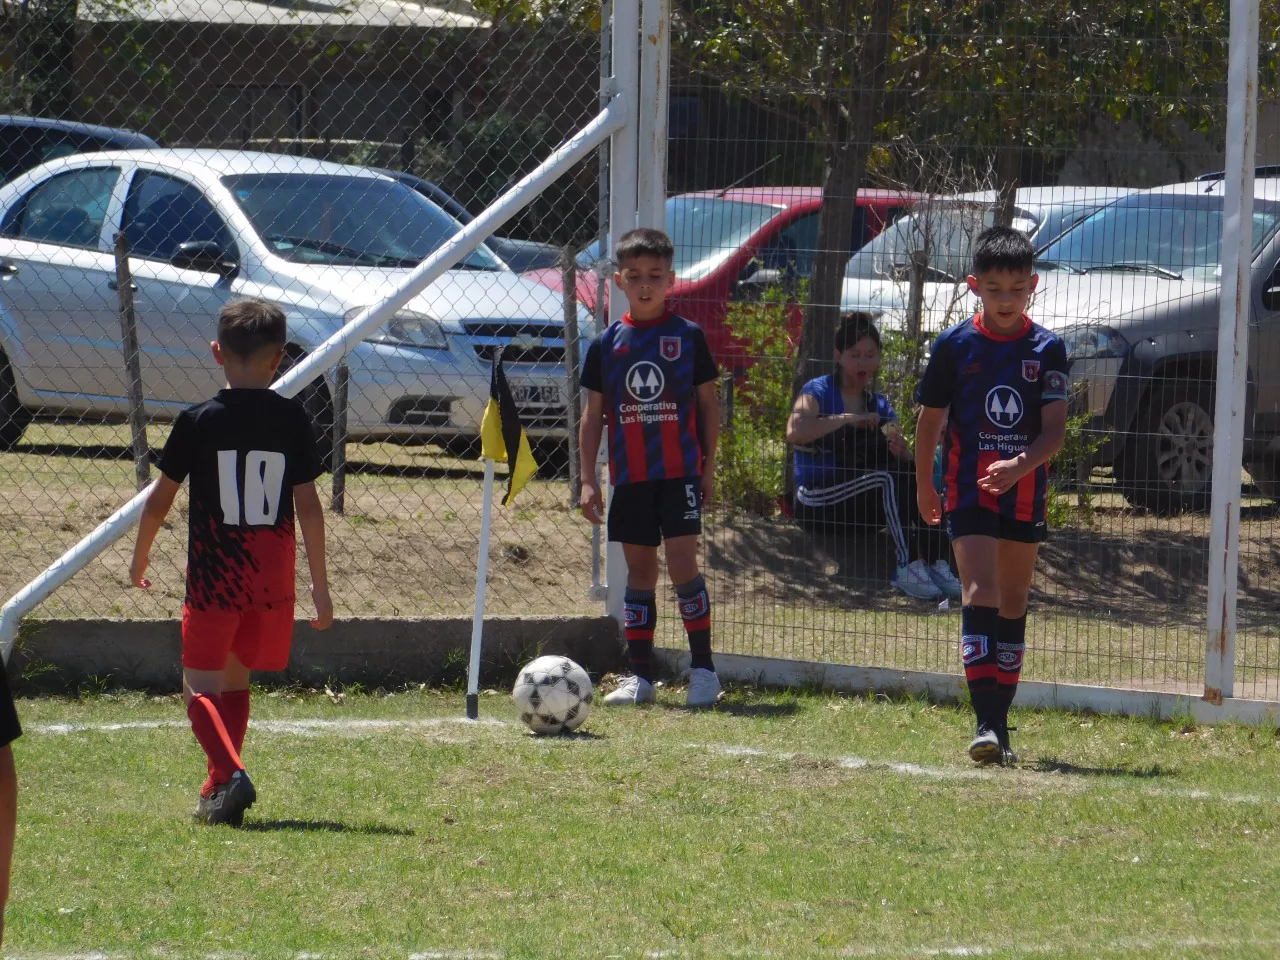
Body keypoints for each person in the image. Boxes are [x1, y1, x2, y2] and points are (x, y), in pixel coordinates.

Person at [130, 298, 333, 824]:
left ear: (217, 353)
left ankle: (230, 772)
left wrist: (141, 554)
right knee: (236, 680)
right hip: (271, 576)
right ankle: (219, 784)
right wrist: (321, 586)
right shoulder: (292, 418)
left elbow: (160, 499)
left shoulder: (198, 421)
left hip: (215, 578)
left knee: (198, 686)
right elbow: (309, 506)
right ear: (280, 358)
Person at [914, 226, 1069, 766]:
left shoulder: (1048, 349)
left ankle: (1000, 728)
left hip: (1024, 492)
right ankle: (986, 723)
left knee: (1014, 601)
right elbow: (930, 420)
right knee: (979, 589)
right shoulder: (955, 346)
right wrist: (924, 482)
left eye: (1017, 289)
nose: (1006, 300)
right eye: (995, 289)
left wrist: (1021, 464)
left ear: (1034, 286)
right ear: (974, 285)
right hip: (967, 489)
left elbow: (1054, 432)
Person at [579, 227, 722, 708]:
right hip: (630, 479)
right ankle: (640, 678)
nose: (645, 284)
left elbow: (708, 406)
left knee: (683, 564)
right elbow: (591, 417)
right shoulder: (606, 345)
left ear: (671, 280)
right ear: (619, 280)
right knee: (641, 571)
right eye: (635, 275)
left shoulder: (688, 338)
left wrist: (707, 467)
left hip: (678, 473)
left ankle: (704, 671)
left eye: (655, 276)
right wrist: (585, 480)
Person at [786, 312, 961, 601]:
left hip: (859, 503)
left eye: (870, 355)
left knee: (912, 477)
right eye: (855, 355)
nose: (863, 362)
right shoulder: (816, 390)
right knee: (886, 479)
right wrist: (846, 418)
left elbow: (905, 458)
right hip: (816, 500)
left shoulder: (878, 403)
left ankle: (936, 562)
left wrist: (902, 450)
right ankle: (906, 566)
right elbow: (795, 430)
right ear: (839, 356)